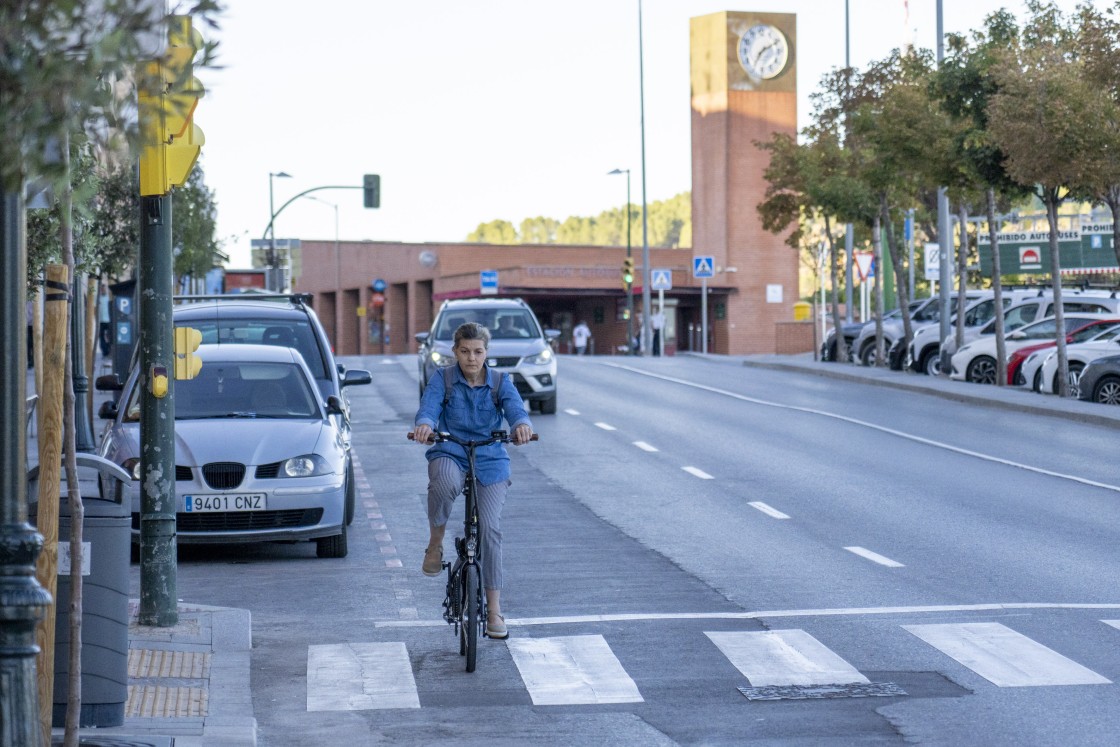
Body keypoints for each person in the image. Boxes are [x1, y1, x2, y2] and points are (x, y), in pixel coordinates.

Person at [412, 322, 534, 640]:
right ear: (455, 352)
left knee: (490, 530)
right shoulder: (444, 379)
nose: (471, 358)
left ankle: (494, 610)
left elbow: (516, 409)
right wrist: (425, 425)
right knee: (444, 484)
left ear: (486, 353)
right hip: (450, 450)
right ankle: (435, 544)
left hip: (490, 458)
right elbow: (428, 407)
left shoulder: (500, 381)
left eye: (478, 352)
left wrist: (521, 426)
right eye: (465, 351)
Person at [97, 282, 112, 358]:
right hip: (101, 321)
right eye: (102, 289)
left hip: (109, 320)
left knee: (109, 336)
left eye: (104, 289)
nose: (103, 290)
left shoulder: (109, 298)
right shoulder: (98, 298)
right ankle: (105, 352)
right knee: (102, 337)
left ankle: (109, 350)